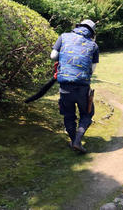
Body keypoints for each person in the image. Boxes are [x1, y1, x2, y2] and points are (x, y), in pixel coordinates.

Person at [50, 19, 99, 153]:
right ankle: (77, 141)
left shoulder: (63, 37)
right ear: (91, 32)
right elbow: (92, 69)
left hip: (65, 86)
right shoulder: (93, 45)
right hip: (82, 87)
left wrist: (65, 58)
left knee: (68, 115)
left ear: (78, 27)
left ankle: (73, 141)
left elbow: (53, 55)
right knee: (87, 114)